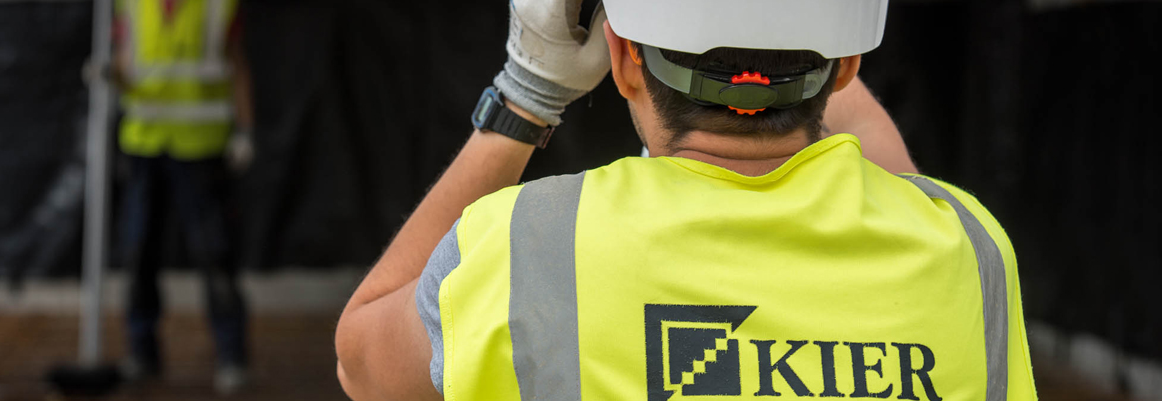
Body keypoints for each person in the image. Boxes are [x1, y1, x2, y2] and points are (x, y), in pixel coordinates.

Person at [334, 0, 1036, 400]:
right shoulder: (965, 250)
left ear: (624, 60)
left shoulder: (524, 248)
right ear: (849, 65)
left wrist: (528, 95)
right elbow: (888, 168)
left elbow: (361, 361)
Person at [111, 0, 252, 394]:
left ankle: (231, 355)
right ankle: (141, 353)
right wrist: (110, 74)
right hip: (144, 145)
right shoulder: (132, 4)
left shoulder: (217, 6)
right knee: (139, 251)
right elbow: (125, 63)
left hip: (201, 147)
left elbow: (237, 63)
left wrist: (245, 128)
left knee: (215, 254)